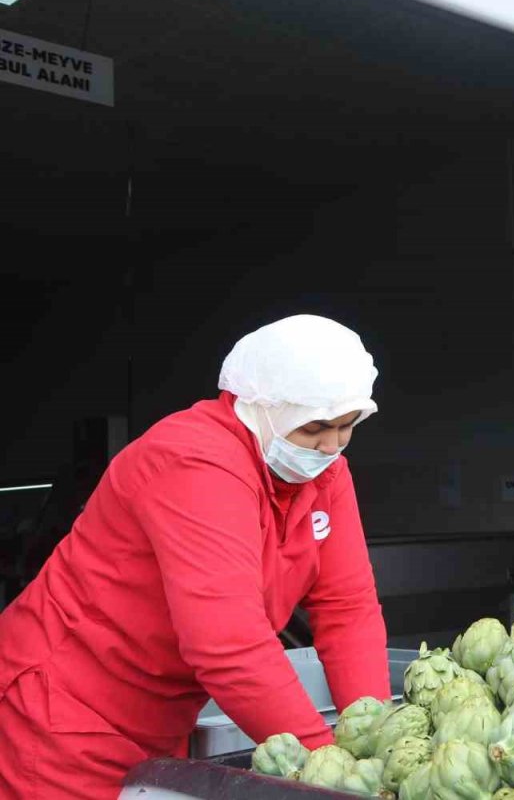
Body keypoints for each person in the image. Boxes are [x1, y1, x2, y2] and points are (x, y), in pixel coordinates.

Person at [0, 315, 390, 799]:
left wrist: (376, 743)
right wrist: (328, 769)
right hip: (61, 716)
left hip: (160, 725)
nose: (331, 445)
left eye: (347, 426)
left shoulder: (324, 472)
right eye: (315, 427)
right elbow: (230, 645)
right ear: (262, 409)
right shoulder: (194, 460)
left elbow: (347, 609)